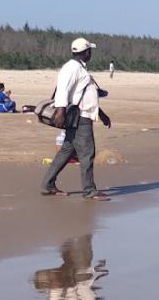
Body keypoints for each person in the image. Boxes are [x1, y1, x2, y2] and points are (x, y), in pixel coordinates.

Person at [40, 37, 111, 201]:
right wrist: (60, 111)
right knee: (87, 153)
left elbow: (85, 95)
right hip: (79, 118)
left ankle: (47, 185)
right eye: (90, 51)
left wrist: (102, 115)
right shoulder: (72, 68)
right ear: (86, 52)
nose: (91, 53)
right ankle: (89, 190)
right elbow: (62, 90)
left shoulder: (79, 68)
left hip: (82, 115)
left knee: (66, 152)